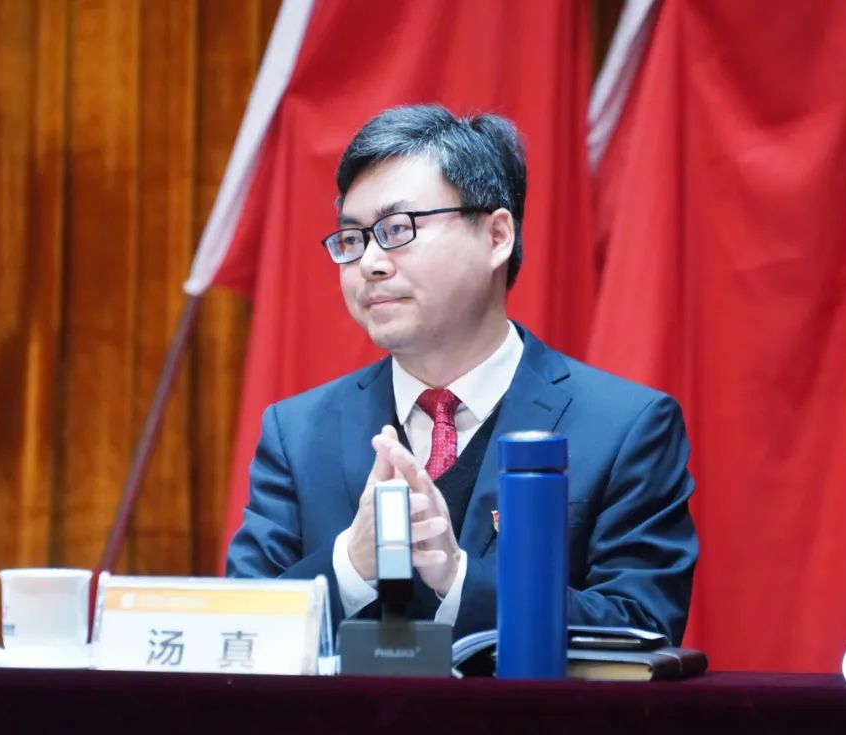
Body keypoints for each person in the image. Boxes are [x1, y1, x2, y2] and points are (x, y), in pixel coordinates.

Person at [226, 105, 697, 643]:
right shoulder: (296, 433)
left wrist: (459, 581)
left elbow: (642, 627)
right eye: (353, 239)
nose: (370, 263)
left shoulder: (624, 428)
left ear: (496, 236)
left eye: (398, 229)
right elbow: (241, 633)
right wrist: (351, 567)